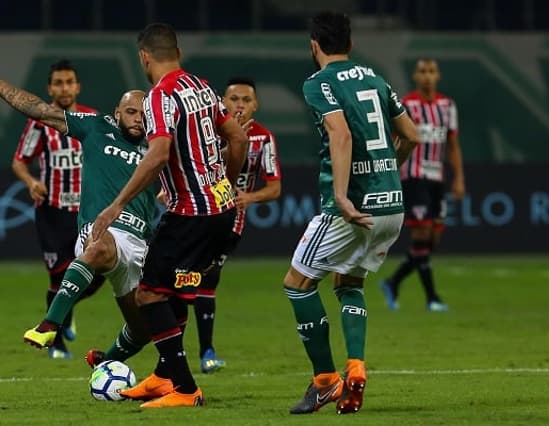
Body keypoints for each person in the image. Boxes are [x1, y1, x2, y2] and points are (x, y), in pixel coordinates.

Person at [0, 58, 157, 367]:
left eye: (145, 115)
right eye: (131, 112)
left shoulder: (160, 146)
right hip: (97, 229)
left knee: (144, 328)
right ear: (117, 113)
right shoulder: (95, 126)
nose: (138, 119)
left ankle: (105, 362)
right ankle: (51, 324)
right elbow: (38, 109)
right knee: (98, 247)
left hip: (140, 243)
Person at [91, 23, 248, 408]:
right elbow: (239, 138)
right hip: (218, 209)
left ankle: (184, 388)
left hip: (190, 214)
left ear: (144, 56)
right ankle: (164, 375)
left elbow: (159, 152)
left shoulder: (159, 97)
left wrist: (117, 204)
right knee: (172, 291)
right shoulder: (202, 86)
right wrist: (222, 185)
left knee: (147, 294)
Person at [284, 12, 419, 415]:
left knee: (297, 283)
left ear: (314, 45)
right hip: (391, 206)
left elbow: (339, 134)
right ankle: (356, 368)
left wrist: (342, 197)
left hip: (349, 208)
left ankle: (325, 381)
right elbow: (411, 135)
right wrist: (389, 173)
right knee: (348, 283)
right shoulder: (375, 78)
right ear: (351, 44)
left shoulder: (317, 83)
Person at [185, 76, 282, 374]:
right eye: (234, 99)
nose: (239, 105)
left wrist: (249, 197)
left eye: (246, 100)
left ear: (255, 105)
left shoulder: (263, 138)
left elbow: (275, 188)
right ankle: (186, 346)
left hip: (229, 222)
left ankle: (205, 352)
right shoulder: (207, 133)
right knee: (183, 280)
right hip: (195, 213)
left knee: (205, 279)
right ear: (222, 102)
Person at [11, 59, 105, 359]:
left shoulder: (92, 119)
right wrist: (30, 181)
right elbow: (19, 161)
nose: (64, 88)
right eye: (58, 83)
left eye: (69, 82)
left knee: (99, 272)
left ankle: (69, 306)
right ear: (49, 88)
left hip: (87, 212)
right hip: (52, 211)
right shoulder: (40, 122)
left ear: (77, 86)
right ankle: (57, 344)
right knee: (58, 276)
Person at [380, 58, 465, 312]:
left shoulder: (447, 106)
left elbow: (452, 145)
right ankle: (432, 298)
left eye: (431, 72)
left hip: (437, 179)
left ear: (438, 76)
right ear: (415, 77)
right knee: (422, 235)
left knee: (432, 241)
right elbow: (394, 139)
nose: (427, 76)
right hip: (413, 177)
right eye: (422, 72)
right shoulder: (406, 105)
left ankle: (392, 282)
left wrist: (459, 177)